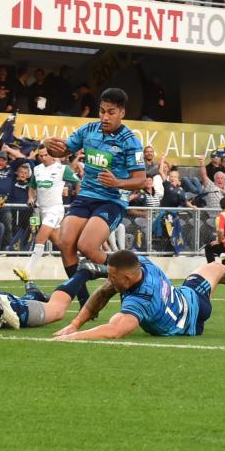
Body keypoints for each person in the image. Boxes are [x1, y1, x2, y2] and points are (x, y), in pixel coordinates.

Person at [45, 88, 146, 306]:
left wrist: (117, 182)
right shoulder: (88, 130)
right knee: (65, 243)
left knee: (88, 247)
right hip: (86, 197)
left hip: (112, 200)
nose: (105, 117)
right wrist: (50, 147)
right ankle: (83, 300)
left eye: (110, 112)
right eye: (101, 111)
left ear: (121, 113)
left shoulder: (131, 141)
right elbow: (62, 152)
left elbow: (140, 180)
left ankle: (137, 271)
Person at [54, 250, 225, 340]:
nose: (109, 279)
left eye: (113, 276)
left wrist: (73, 335)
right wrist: (75, 323)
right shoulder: (141, 264)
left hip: (191, 315)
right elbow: (105, 291)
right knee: (217, 269)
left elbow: (115, 330)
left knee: (217, 268)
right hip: (187, 300)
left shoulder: (141, 300)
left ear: (127, 279)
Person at [14, 146, 80, 281]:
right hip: (42, 210)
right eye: (40, 155)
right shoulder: (37, 169)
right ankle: (81, 266)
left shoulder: (62, 169)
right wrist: (31, 197)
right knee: (62, 245)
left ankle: (27, 271)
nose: (43, 158)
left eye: (45, 155)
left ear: (52, 155)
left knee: (40, 238)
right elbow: (32, 187)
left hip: (55, 209)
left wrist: (78, 199)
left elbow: (78, 182)